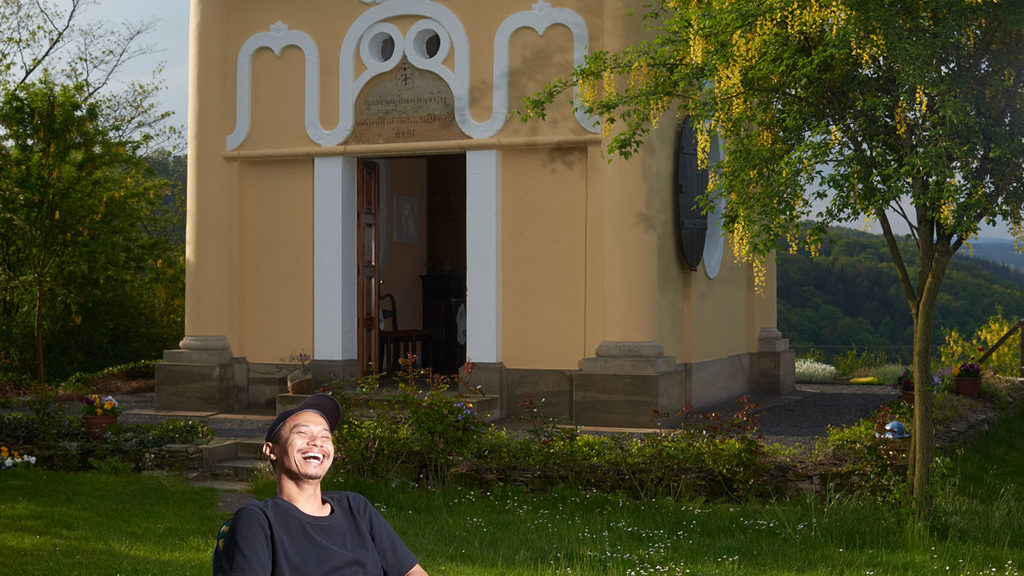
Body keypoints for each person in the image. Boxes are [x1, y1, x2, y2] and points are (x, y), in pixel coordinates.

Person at [213, 393, 429, 576]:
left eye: (325, 437)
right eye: (302, 433)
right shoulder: (258, 520)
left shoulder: (355, 508)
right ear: (271, 450)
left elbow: (411, 571)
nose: (317, 442)